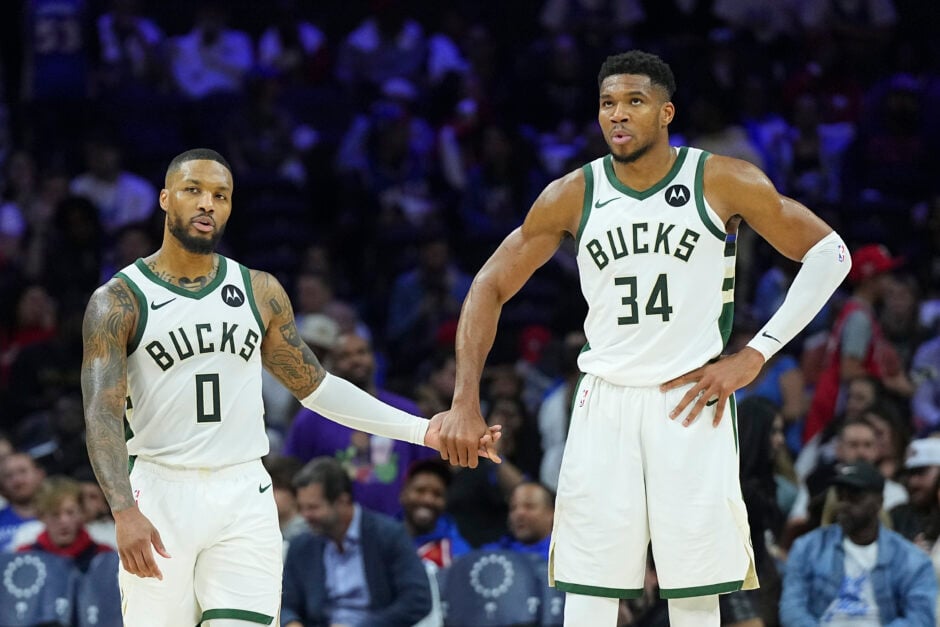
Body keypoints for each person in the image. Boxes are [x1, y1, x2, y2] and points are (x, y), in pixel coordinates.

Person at [435, 50, 851, 627]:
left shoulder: (721, 178)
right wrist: (465, 398)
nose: (618, 115)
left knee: (695, 590)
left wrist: (757, 354)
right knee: (590, 588)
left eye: (635, 101)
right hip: (604, 399)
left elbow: (831, 253)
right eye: (608, 103)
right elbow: (487, 286)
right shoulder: (572, 194)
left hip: (690, 399)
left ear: (666, 113)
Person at [79, 148, 500, 626]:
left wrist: (426, 431)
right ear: (163, 198)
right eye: (193, 190)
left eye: (221, 195)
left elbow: (318, 389)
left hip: (243, 491)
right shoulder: (118, 300)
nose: (206, 204)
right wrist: (122, 510)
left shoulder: (259, 291)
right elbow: (101, 414)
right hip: (158, 492)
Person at [284, 331, 436, 516]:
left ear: (374, 358)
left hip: (400, 526)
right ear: (331, 365)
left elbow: (428, 472)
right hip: (332, 530)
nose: (356, 360)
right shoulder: (311, 419)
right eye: (345, 356)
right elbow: (294, 473)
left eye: (362, 352)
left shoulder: (405, 410)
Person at [779, 461, 937, 626]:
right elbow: (791, 610)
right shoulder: (807, 548)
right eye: (840, 495)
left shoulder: (911, 559)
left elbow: (920, 619)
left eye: (855, 496)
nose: (844, 504)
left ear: (879, 502)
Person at [281, 456, 432, 627]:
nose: (304, 516)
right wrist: (291, 623)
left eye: (313, 508)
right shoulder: (301, 545)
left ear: (343, 501)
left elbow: (418, 600)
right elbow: (285, 603)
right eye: (301, 508)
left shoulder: (389, 535)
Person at [16, 475, 113, 573]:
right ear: (41, 517)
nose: (64, 521)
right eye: (55, 514)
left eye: (70, 512)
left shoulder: (103, 555)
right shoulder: (24, 558)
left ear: (82, 513)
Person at [398, 458, 470, 568]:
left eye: (437, 494)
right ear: (403, 494)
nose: (428, 500)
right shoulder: (383, 539)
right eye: (420, 490)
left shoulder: (457, 550)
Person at [483, 481, 555, 562]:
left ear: (551, 513)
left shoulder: (565, 554)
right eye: (513, 508)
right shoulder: (491, 556)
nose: (519, 513)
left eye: (529, 506)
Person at [0, 451, 45, 552]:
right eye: (9, 476)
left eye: (23, 471)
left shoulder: (60, 514)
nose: (18, 480)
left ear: (39, 475)